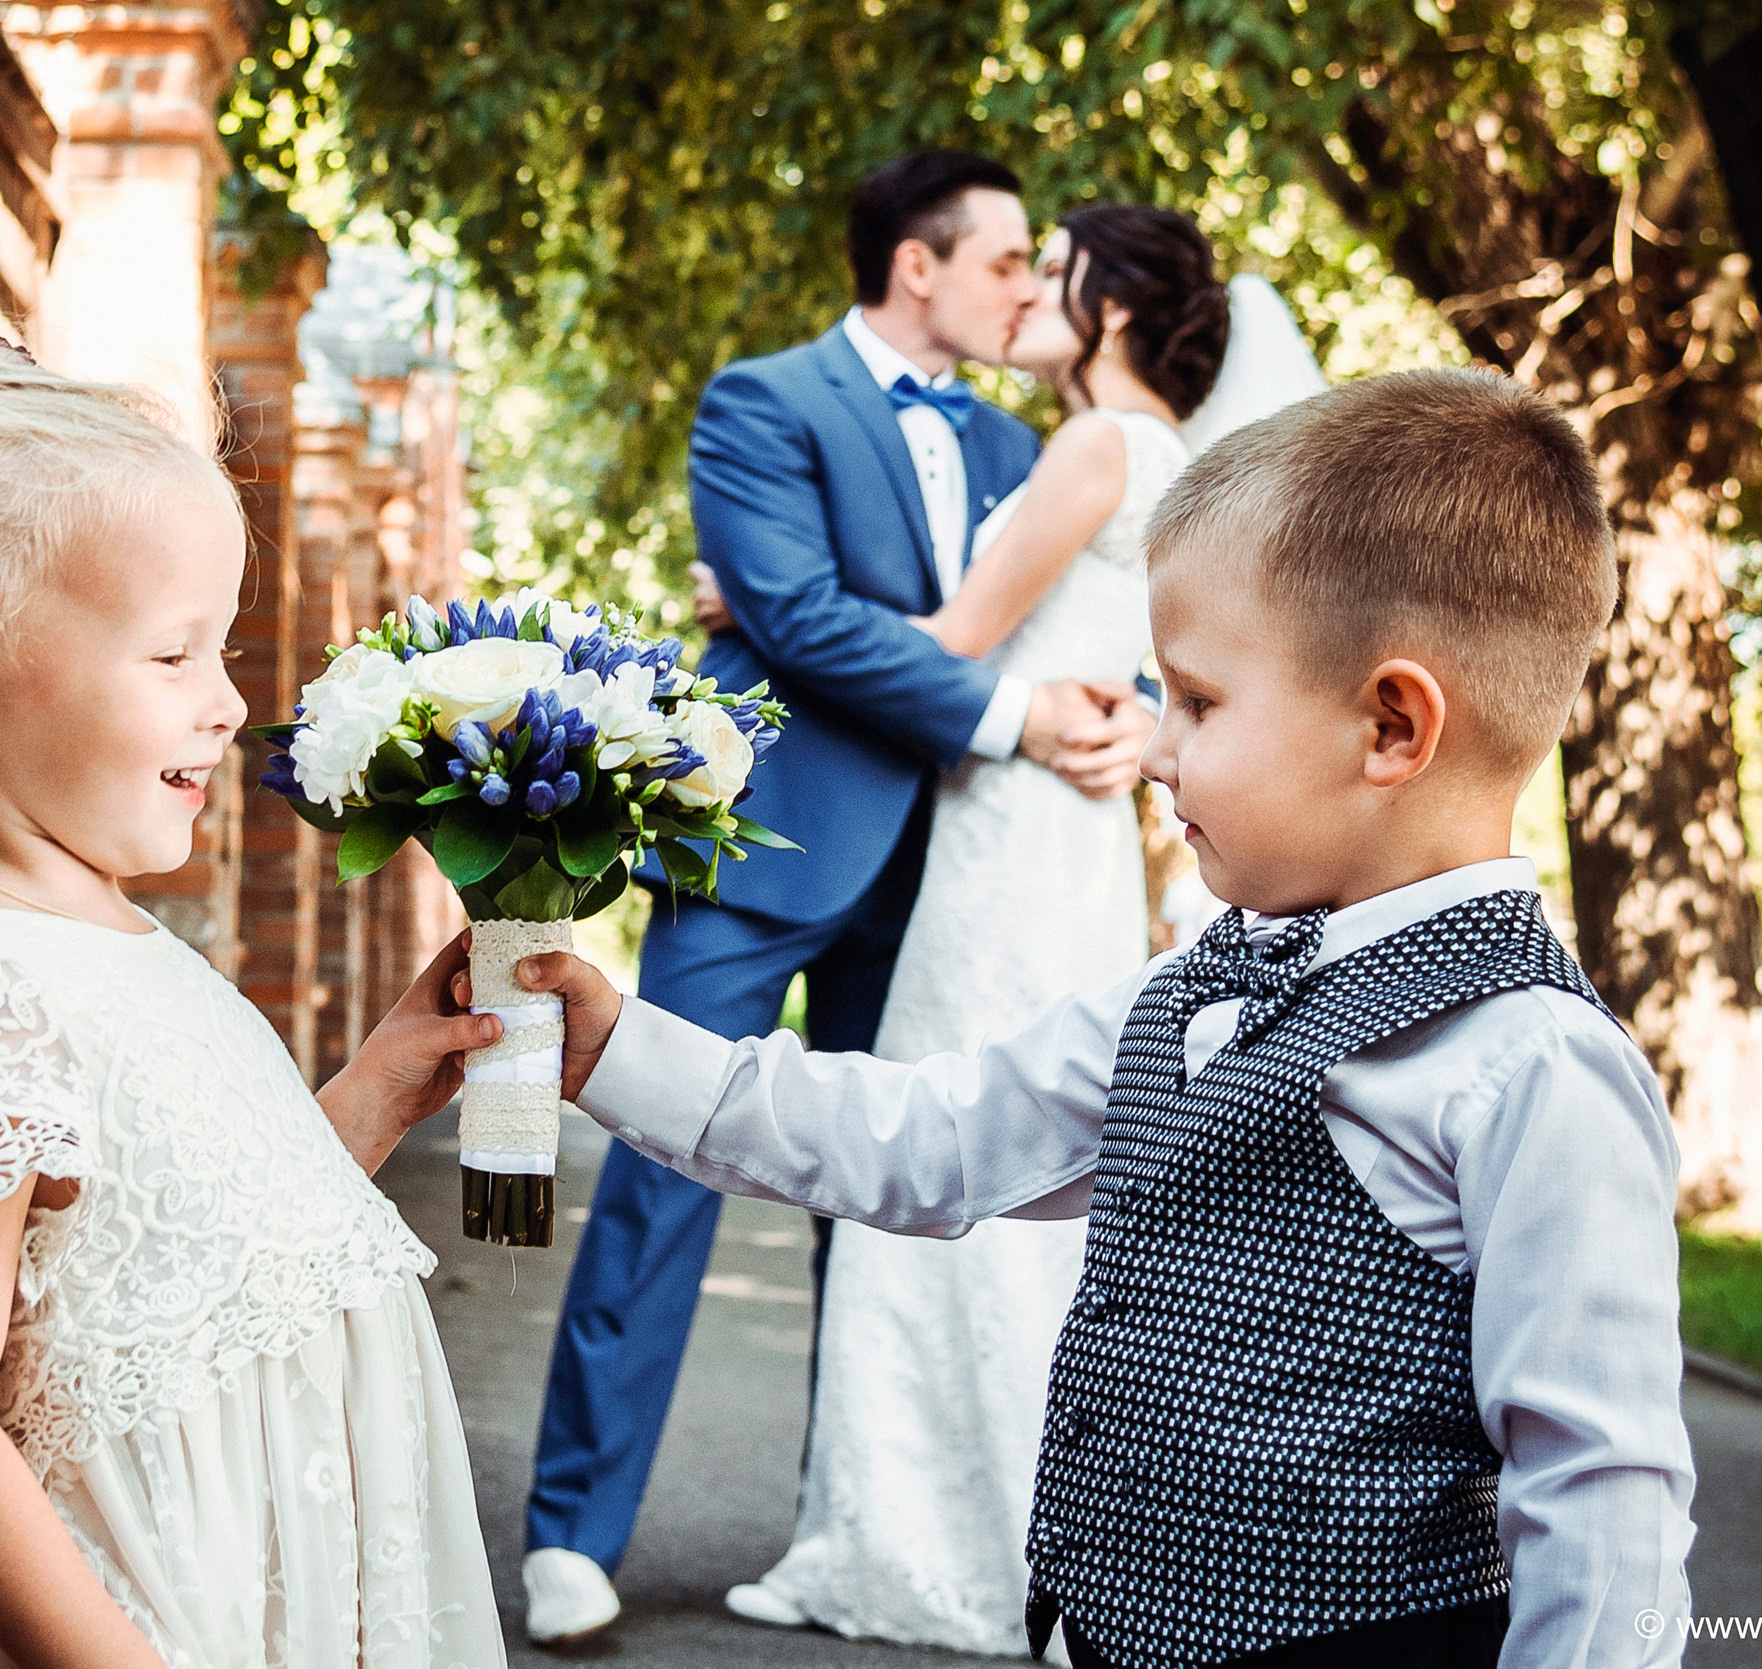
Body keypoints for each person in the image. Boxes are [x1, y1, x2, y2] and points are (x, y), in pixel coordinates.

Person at [494, 368, 1700, 1668]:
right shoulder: (1181, 994)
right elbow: (927, 1137)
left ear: (1391, 725)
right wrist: (619, 1046)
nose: (1156, 744)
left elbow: (1602, 1511)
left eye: (1198, 700)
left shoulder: (1531, 1067)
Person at [0, 324, 509, 1669]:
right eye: (175, 656)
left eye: (224, 654)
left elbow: (178, 1265)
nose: (229, 705)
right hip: (161, 1618)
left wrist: (369, 1093)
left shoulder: (106, 933)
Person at [518, 150, 1157, 1645]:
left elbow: (1041, 612)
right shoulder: (763, 399)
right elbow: (801, 621)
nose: (1026, 287)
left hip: (957, 873)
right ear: (918, 265)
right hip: (776, 846)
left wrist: (1127, 710)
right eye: (1007, 260)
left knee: (887, 1196)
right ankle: (573, 1529)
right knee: (666, 1150)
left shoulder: (1030, 448)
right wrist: (989, 705)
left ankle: (847, 1518)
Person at [704, 205, 1263, 1655]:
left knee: (950, 1145)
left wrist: (755, 605)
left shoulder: (1090, 444)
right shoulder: (1181, 460)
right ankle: (1037, 1532)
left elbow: (953, 644)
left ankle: (910, 1543)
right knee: (1039, 1161)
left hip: (1005, 835)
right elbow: (1159, 681)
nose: (1023, 290)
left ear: (1115, 306)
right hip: (1063, 838)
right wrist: (1143, 734)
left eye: (1049, 267)